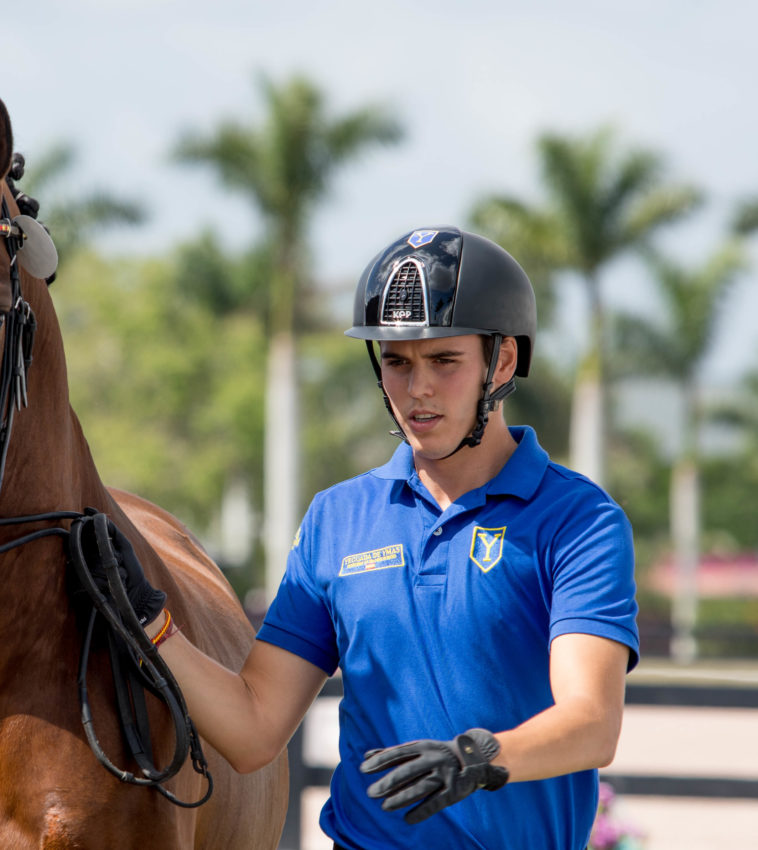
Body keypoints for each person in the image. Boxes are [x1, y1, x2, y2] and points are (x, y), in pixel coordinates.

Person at [91, 226, 639, 849]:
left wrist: (475, 758)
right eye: (397, 363)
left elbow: (593, 723)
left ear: (503, 361)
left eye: (444, 361)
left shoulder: (579, 520)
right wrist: (148, 624)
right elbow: (253, 730)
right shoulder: (337, 518)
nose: (417, 389)